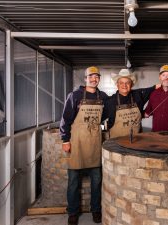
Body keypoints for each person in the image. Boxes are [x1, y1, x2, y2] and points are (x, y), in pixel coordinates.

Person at [60, 66, 108, 225]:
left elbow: (105, 119)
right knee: (73, 182)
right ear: (85, 78)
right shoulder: (74, 96)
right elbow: (65, 120)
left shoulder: (103, 97)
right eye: (91, 76)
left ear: (99, 78)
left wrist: (100, 129)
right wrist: (65, 140)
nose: (94, 79)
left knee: (97, 181)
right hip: (77, 144)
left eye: (97, 76)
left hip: (95, 144)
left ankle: (96, 210)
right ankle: (73, 212)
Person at [102, 68, 160, 138]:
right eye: (121, 83)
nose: (124, 85)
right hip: (116, 144)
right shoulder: (110, 101)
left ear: (131, 84)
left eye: (127, 83)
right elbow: (99, 119)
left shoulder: (138, 96)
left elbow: (154, 88)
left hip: (136, 142)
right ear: (117, 85)